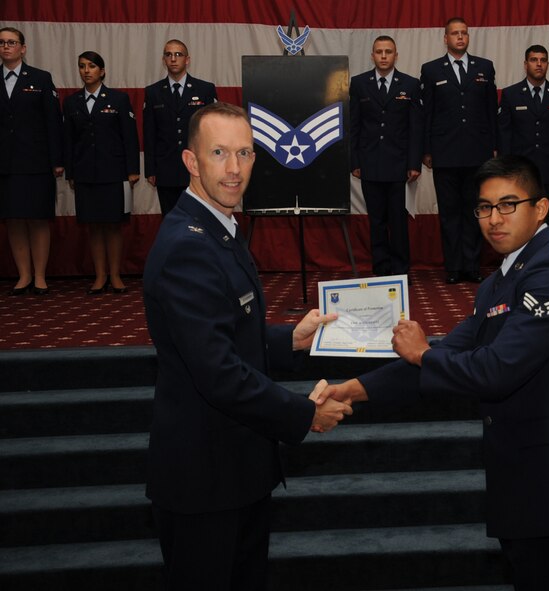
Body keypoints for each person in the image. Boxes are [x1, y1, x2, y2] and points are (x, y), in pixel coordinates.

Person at [317, 155, 549, 590]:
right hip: (523, 481)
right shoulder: (499, 281)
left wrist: (422, 355)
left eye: (507, 205)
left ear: (541, 208)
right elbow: (449, 353)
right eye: (484, 208)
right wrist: (352, 390)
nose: (493, 219)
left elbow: (495, 370)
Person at [142, 102, 353, 590]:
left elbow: (225, 333)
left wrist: (289, 339)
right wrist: (305, 415)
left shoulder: (220, 228)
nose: (234, 168)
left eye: (245, 153)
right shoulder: (189, 245)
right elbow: (218, 374)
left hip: (235, 469)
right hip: (205, 481)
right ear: (191, 162)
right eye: (218, 153)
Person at [420, 17, 497, 284]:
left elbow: (491, 112)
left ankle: (471, 265)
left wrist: (494, 147)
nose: (460, 37)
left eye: (464, 33)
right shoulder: (431, 70)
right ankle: (453, 267)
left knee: (474, 210)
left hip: (477, 152)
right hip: (445, 153)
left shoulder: (484, 67)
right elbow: (427, 113)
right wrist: (426, 150)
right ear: (446, 38)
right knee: (450, 213)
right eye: (455, 33)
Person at [62, 51, 140, 294]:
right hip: (85, 173)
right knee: (94, 226)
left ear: (102, 71)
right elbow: (69, 141)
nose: (86, 71)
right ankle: (99, 276)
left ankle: (115, 275)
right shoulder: (72, 102)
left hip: (114, 173)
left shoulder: (118, 99)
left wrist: (132, 170)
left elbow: (130, 137)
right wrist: (71, 172)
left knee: (114, 225)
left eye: (92, 66)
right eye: (82, 66)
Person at [350, 35, 423, 276]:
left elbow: (415, 128)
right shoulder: (359, 83)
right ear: (372, 55)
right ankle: (381, 270)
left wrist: (414, 164)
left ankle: (401, 271)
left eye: (388, 52)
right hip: (370, 163)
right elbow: (354, 126)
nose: (383, 56)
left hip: (399, 165)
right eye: (379, 52)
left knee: (398, 222)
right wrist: (355, 162)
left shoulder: (410, 84)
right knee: (377, 221)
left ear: (396, 55)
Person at [0, 27, 63, 295]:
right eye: (2, 43)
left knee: (38, 219)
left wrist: (57, 160)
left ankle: (39, 276)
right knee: (13, 219)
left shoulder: (40, 78)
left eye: (11, 42)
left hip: (37, 162)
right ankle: (24, 275)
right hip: (4, 164)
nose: (6, 47)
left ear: (23, 48)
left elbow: (53, 122)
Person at [498, 45, 549, 230]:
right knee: (520, 222)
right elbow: (504, 134)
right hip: (520, 173)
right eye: (534, 60)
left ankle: (545, 259)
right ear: (525, 64)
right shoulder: (511, 94)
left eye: (542, 60)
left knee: (547, 223)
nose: (538, 64)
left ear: (548, 64)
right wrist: (506, 168)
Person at [143, 39, 217, 216]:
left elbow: (213, 132)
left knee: (199, 221)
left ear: (187, 59)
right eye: (168, 55)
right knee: (171, 221)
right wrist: (150, 169)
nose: (173, 59)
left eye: (178, 54)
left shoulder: (205, 89)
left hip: (197, 168)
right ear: (164, 60)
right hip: (165, 169)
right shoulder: (153, 92)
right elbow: (149, 133)